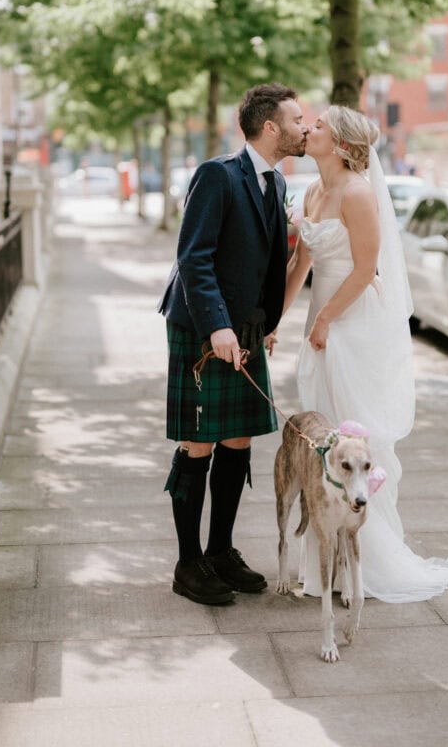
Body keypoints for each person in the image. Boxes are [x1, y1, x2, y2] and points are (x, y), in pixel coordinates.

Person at [274, 105, 448, 601]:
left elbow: (366, 269)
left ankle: (364, 563)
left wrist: (325, 320)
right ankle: (327, 560)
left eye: (318, 125)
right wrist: (276, 319)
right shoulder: (312, 190)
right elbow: (303, 259)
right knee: (326, 438)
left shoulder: (359, 193)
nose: (308, 128)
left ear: (342, 143)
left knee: (354, 431)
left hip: (354, 320)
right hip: (321, 316)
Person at [159, 84, 308, 605]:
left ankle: (220, 551)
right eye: (297, 118)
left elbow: (266, 262)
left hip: (244, 327)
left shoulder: (276, 183)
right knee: (198, 442)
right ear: (271, 128)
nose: (304, 126)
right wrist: (218, 326)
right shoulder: (218, 175)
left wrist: (264, 321)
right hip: (202, 328)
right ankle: (188, 562)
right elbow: (193, 257)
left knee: (239, 437)